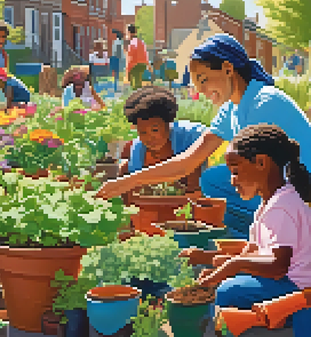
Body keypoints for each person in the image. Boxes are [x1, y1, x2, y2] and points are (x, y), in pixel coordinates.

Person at [96, 34, 311, 240]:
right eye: (197, 83)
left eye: (204, 79)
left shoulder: (263, 102)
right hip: (280, 183)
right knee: (213, 180)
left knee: (232, 178)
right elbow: (188, 161)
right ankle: (249, 241)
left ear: (228, 69)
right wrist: (128, 181)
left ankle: (277, 240)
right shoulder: (232, 108)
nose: (201, 90)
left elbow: (267, 170)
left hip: (302, 188)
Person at [179, 124, 311, 336]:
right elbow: (253, 251)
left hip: (295, 286)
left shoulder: (283, 206)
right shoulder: (269, 203)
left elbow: (278, 266)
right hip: (284, 280)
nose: (232, 181)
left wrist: (233, 266)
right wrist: (211, 260)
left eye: (236, 172)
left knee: (229, 291)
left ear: (261, 163)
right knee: (226, 282)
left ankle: (226, 329)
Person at [120, 86, 206, 194]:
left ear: (168, 123)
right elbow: (135, 188)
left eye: (155, 130)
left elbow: (195, 191)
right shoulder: (138, 150)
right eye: (143, 132)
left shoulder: (190, 139)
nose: (149, 138)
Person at [126, 24, 149, 90]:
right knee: (139, 84)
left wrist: (128, 72)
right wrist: (148, 66)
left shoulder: (132, 44)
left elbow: (130, 59)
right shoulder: (141, 42)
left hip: (135, 66)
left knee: (135, 86)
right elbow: (145, 55)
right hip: (143, 65)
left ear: (129, 33)